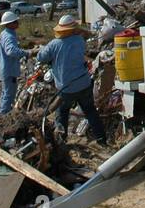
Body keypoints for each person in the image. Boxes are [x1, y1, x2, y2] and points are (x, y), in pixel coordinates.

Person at [37, 14, 106, 142]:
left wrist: (41, 50)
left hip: (66, 87)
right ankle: (101, 138)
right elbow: (83, 36)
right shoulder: (79, 41)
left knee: (62, 113)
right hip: (84, 83)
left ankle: (61, 140)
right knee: (90, 111)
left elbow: (41, 57)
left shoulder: (54, 44)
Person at [0, 10, 29, 114]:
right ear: (9, 24)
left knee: (6, 92)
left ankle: (2, 112)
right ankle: (3, 115)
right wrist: (25, 53)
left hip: (5, 68)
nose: (17, 23)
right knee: (9, 94)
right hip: (9, 70)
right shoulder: (9, 36)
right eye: (15, 21)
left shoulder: (5, 33)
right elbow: (11, 51)